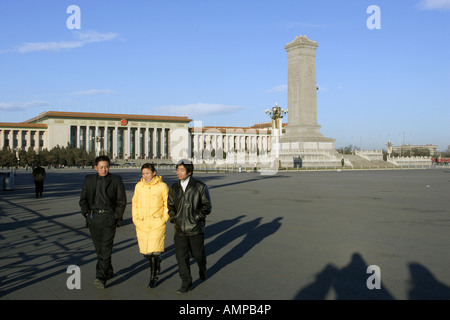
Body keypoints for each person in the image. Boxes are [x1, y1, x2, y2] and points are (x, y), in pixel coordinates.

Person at [79, 155, 127, 289]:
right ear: (95, 168)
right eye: (101, 167)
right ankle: (108, 270)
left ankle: (100, 277)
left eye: (106, 167)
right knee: (99, 249)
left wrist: (116, 217)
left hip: (108, 218)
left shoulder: (116, 180)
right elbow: (83, 200)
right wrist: (87, 214)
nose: (104, 169)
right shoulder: (88, 180)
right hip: (94, 218)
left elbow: (121, 200)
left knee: (106, 248)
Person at [168, 159, 212, 293]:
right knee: (181, 258)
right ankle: (186, 283)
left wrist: (196, 218)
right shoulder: (174, 187)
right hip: (179, 228)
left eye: (181, 170)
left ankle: (202, 267)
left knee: (198, 255)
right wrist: (174, 217)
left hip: (195, 228)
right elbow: (170, 206)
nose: (178, 173)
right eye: (177, 170)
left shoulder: (200, 186)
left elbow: (207, 207)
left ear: (189, 172)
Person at [132, 163, 170, 288]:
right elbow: (135, 203)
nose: (145, 176)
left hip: (157, 223)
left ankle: (153, 277)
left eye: (147, 173)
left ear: (154, 173)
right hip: (142, 223)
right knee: (146, 253)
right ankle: (157, 262)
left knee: (154, 251)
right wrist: (136, 219)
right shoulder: (139, 186)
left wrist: (164, 218)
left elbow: (167, 204)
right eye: (143, 173)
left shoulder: (162, 186)